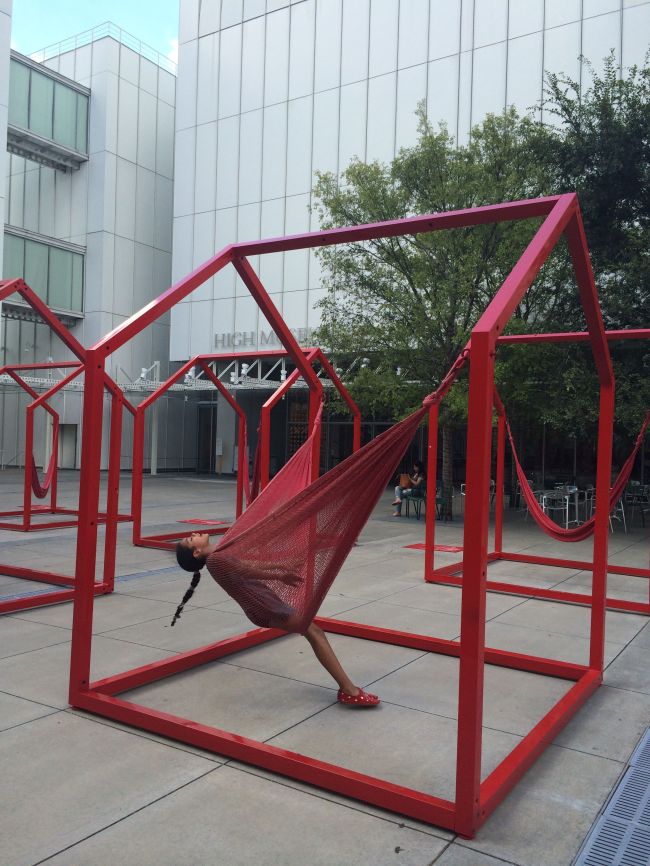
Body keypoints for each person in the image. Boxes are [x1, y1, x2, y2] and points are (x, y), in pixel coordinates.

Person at [174, 532, 380, 707]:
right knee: (314, 632)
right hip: (264, 607)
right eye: (190, 539)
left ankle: (347, 689)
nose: (193, 534)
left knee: (313, 632)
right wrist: (279, 574)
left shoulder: (217, 558)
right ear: (196, 552)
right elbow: (249, 570)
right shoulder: (215, 560)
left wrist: (280, 569)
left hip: (263, 605)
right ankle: (348, 690)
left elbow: (249, 566)